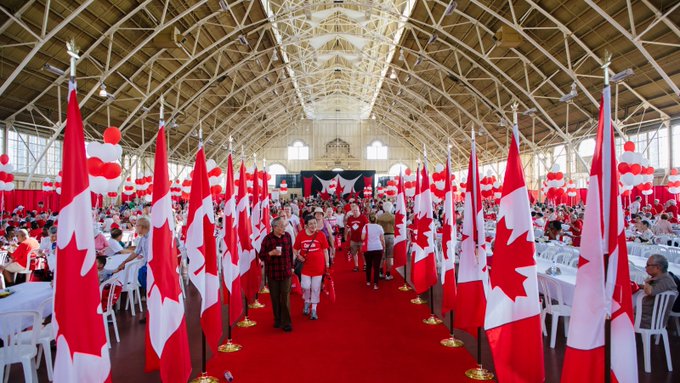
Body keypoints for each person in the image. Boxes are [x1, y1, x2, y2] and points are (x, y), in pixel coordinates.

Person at [260, 217, 294, 332]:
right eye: (281, 226)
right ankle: (278, 319)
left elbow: (290, 253)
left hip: (286, 272)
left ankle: (287, 322)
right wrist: (271, 253)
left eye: (284, 225)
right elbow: (262, 256)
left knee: (285, 298)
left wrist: (292, 267)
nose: (284, 228)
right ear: (274, 227)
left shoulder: (288, 237)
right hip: (273, 273)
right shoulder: (268, 239)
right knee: (275, 298)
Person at [293, 215, 329, 320]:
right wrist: (299, 256)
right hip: (305, 267)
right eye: (311, 224)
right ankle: (307, 301)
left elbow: (325, 250)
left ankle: (313, 309)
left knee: (316, 288)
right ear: (306, 226)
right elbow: (295, 249)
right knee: (305, 286)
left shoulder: (321, 235)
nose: (313, 226)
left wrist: (327, 264)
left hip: (318, 266)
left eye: (315, 223)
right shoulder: (301, 235)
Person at [639, 254, 677, 328]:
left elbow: (650, 291)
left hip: (649, 320)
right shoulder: (660, 278)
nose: (645, 267)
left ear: (657, 267)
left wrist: (646, 281)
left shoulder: (665, 280)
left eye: (648, 265)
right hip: (647, 316)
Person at [362, 214, 385, 290]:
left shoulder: (365, 226)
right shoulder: (379, 227)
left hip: (368, 248)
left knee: (368, 265)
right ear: (376, 219)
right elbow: (382, 239)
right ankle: (376, 284)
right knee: (377, 267)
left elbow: (362, 237)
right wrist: (384, 246)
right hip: (378, 248)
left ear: (368, 219)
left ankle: (368, 281)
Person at [345, 203, 368, 272]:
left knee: (363, 253)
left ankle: (365, 264)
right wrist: (346, 236)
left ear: (359, 210)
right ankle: (356, 266)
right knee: (354, 253)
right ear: (352, 211)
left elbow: (367, 226)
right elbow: (347, 228)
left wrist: (366, 236)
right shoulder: (350, 218)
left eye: (356, 210)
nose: (355, 211)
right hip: (353, 239)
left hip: (362, 239)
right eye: (353, 210)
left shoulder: (363, 217)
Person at [376, 201, 395, 280]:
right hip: (391, 236)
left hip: (382, 237)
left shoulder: (379, 217)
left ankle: (380, 273)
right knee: (389, 256)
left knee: (382, 256)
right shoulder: (393, 217)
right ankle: (388, 274)